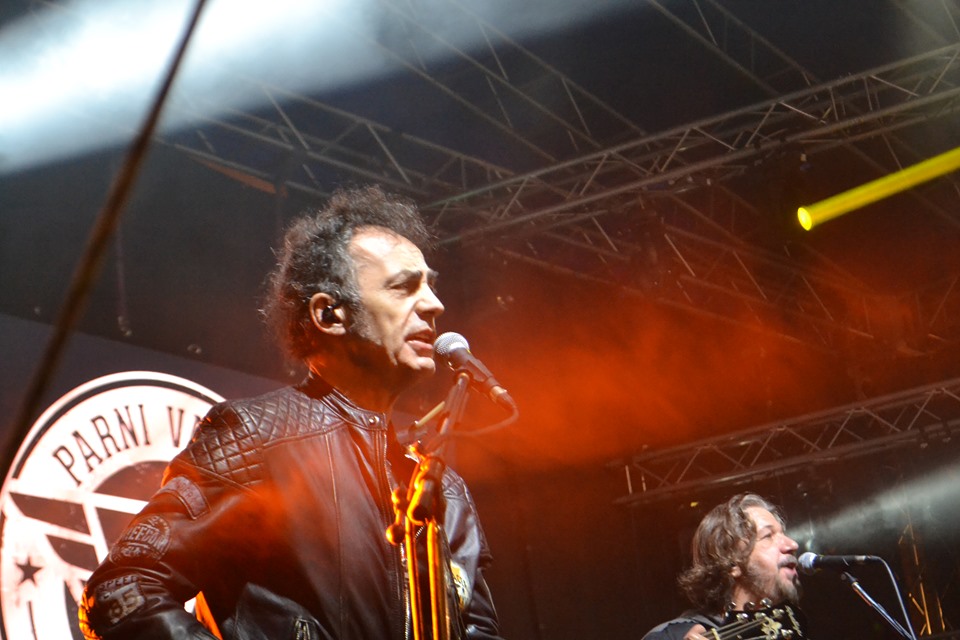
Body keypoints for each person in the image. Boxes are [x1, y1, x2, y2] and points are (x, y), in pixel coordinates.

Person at [78, 185, 504, 639]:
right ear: (330, 315)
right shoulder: (255, 437)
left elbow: (478, 630)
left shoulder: (446, 491)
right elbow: (121, 591)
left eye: (431, 286)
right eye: (404, 287)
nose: (435, 305)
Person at [642, 493, 802, 640]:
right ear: (731, 562)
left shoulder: (789, 630)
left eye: (783, 533)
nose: (792, 544)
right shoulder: (668, 636)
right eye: (767, 536)